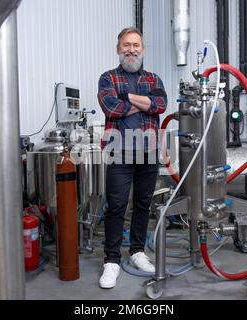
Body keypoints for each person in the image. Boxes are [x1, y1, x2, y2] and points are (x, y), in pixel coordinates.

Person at [97, 27, 167, 289]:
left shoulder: (154, 79)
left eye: (136, 45)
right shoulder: (108, 78)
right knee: (115, 207)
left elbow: (161, 105)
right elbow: (111, 107)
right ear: (118, 49)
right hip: (119, 152)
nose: (131, 49)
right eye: (126, 45)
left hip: (148, 151)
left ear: (143, 49)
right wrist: (142, 102)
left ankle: (137, 251)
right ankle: (111, 261)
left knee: (143, 204)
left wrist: (128, 98)